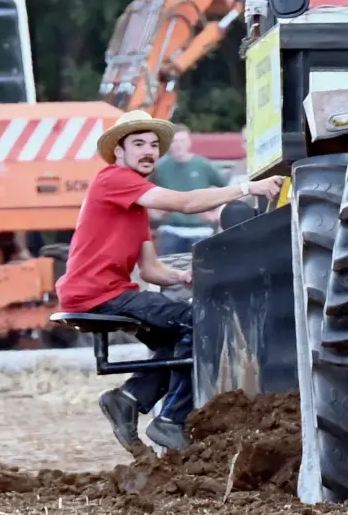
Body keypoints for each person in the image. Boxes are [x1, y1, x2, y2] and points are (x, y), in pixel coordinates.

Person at [56, 111, 284, 451]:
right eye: (138, 144)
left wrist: (183, 276)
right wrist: (248, 187)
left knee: (174, 332)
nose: (148, 151)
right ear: (119, 151)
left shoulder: (134, 206)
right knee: (204, 324)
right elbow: (186, 203)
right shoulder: (114, 179)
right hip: (99, 294)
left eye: (152, 145)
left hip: (105, 293)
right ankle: (171, 419)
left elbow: (150, 270)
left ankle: (129, 398)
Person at [147, 127, 228, 256]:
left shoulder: (203, 164)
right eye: (174, 141)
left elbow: (227, 189)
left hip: (201, 230)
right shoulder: (160, 167)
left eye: (182, 141)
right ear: (169, 144)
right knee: (168, 270)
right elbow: (144, 191)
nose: (179, 145)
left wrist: (216, 214)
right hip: (170, 229)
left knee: (202, 272)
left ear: (189, 142)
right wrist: (154, 214)